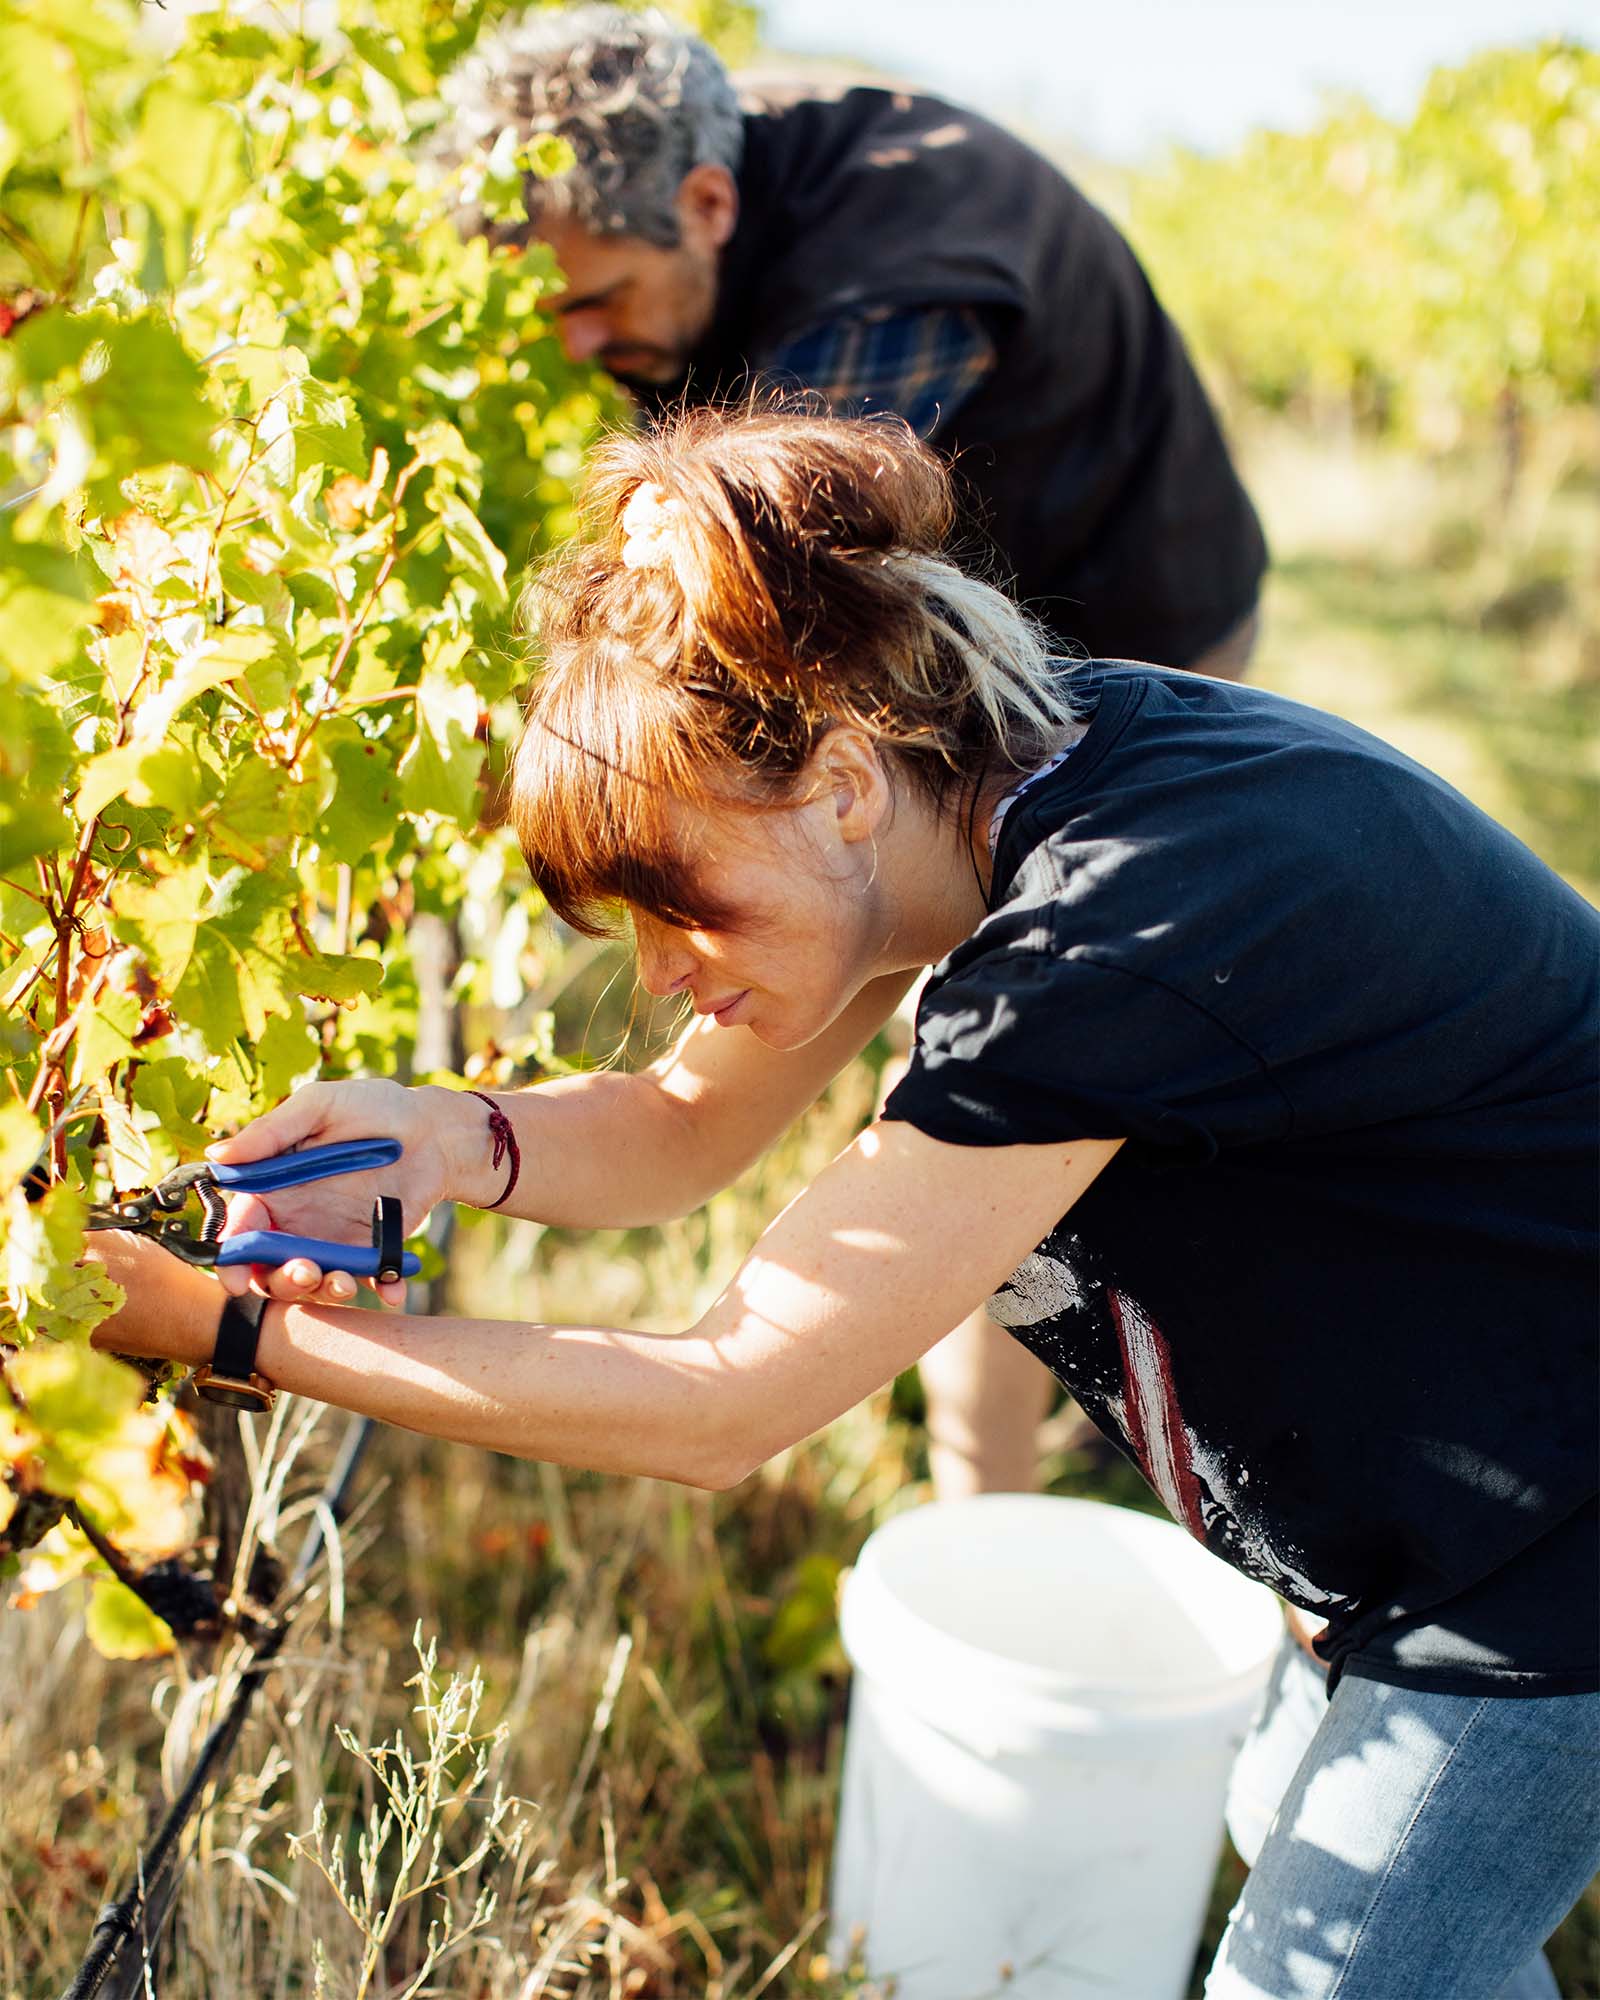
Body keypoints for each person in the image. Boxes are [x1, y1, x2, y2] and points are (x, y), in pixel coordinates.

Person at [91, 406, 1598, 1995]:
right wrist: (445, 1138)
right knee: (1305, 1840)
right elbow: (680, 1133)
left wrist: (232, 1330)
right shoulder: (998, 780)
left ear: (839, 782)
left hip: (1548, 1540)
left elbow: (722, 1403)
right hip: (1450, 1478)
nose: (669, 979)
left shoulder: (1100, 947)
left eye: (686, 911)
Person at [441, 4, 1272, 1494]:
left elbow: (745, 615)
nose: (575, 344)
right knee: (932, 1051)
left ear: (705, 209)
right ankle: (990, 1501)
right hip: (958, 665)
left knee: (988, 1061)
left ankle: (1041, 1478)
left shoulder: (896, 261)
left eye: (600, 301)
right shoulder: (691, 159)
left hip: (1139, 635)